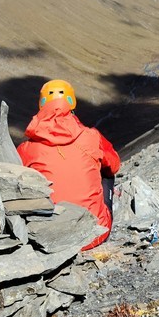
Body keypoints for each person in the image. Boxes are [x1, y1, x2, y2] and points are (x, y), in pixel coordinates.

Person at [17, 80, 120, 249]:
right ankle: (97, 216)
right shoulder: (91, 136)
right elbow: (114, 165)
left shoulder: (25, 149)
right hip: (94, 235)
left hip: (50, 240)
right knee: (106, 171)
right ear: (71, 102)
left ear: (42, 104)